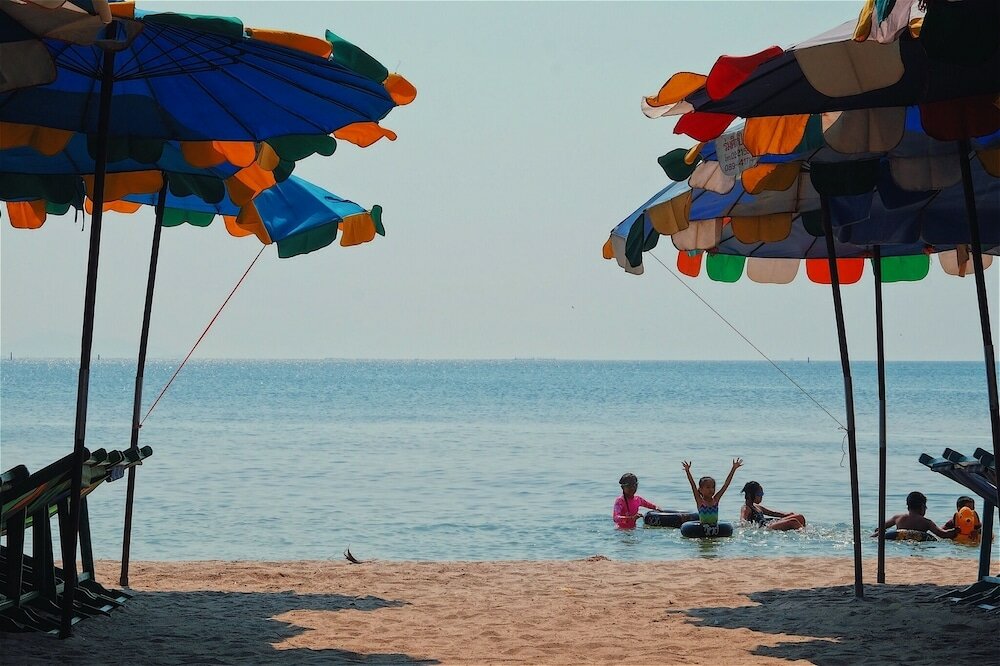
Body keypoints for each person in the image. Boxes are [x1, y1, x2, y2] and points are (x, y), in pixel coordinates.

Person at [872, 491, 956, 539]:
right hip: (919, 541)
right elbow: (942, 534)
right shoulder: (927, 522)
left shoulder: (897, 518)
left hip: (899, 542)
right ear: (923, 507)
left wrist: (876, 534)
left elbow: (880, 528)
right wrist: (956, 531)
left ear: (908, 506)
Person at [682, 458, 741, 525]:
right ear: (701, 489)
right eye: (708, 487)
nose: (711, 490)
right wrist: (687, 471)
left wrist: (734, 469)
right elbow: (693, 485)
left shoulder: (716, 499)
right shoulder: (700, 501)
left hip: (715, 528)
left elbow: (726, 485)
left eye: (713, 487)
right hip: (702, 529)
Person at [739, 481, 806, 531]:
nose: (761, 496)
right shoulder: (746, 508)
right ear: (751, 495)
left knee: (800, 517)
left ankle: (802, 530)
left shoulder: (756, 506)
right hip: (765, 527)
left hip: (769, 522)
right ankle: (805, 535)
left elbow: (772, 513)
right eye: (759, 494)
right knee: (793, 521)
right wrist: (743, 523)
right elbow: (742, 519)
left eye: (762, 494)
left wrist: (786, 514)